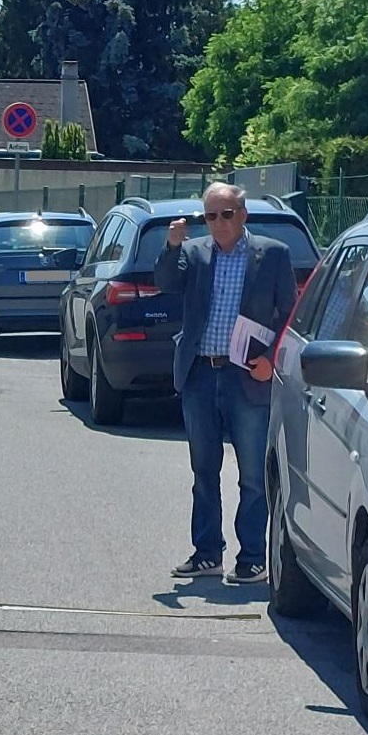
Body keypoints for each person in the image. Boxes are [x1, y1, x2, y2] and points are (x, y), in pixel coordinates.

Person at [152, 183, 299, 585]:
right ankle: (207, 554)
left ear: (243, 215)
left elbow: (290, 314)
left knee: (252, 473)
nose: (218, 223)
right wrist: (171, 246)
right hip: (201, 372)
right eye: (211, 216)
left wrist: (272, 360)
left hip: (246, 375)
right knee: (204, 470)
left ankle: (251, 557)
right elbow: (166, 282)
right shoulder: (195, 253)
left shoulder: (272, 255)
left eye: (226, 214)